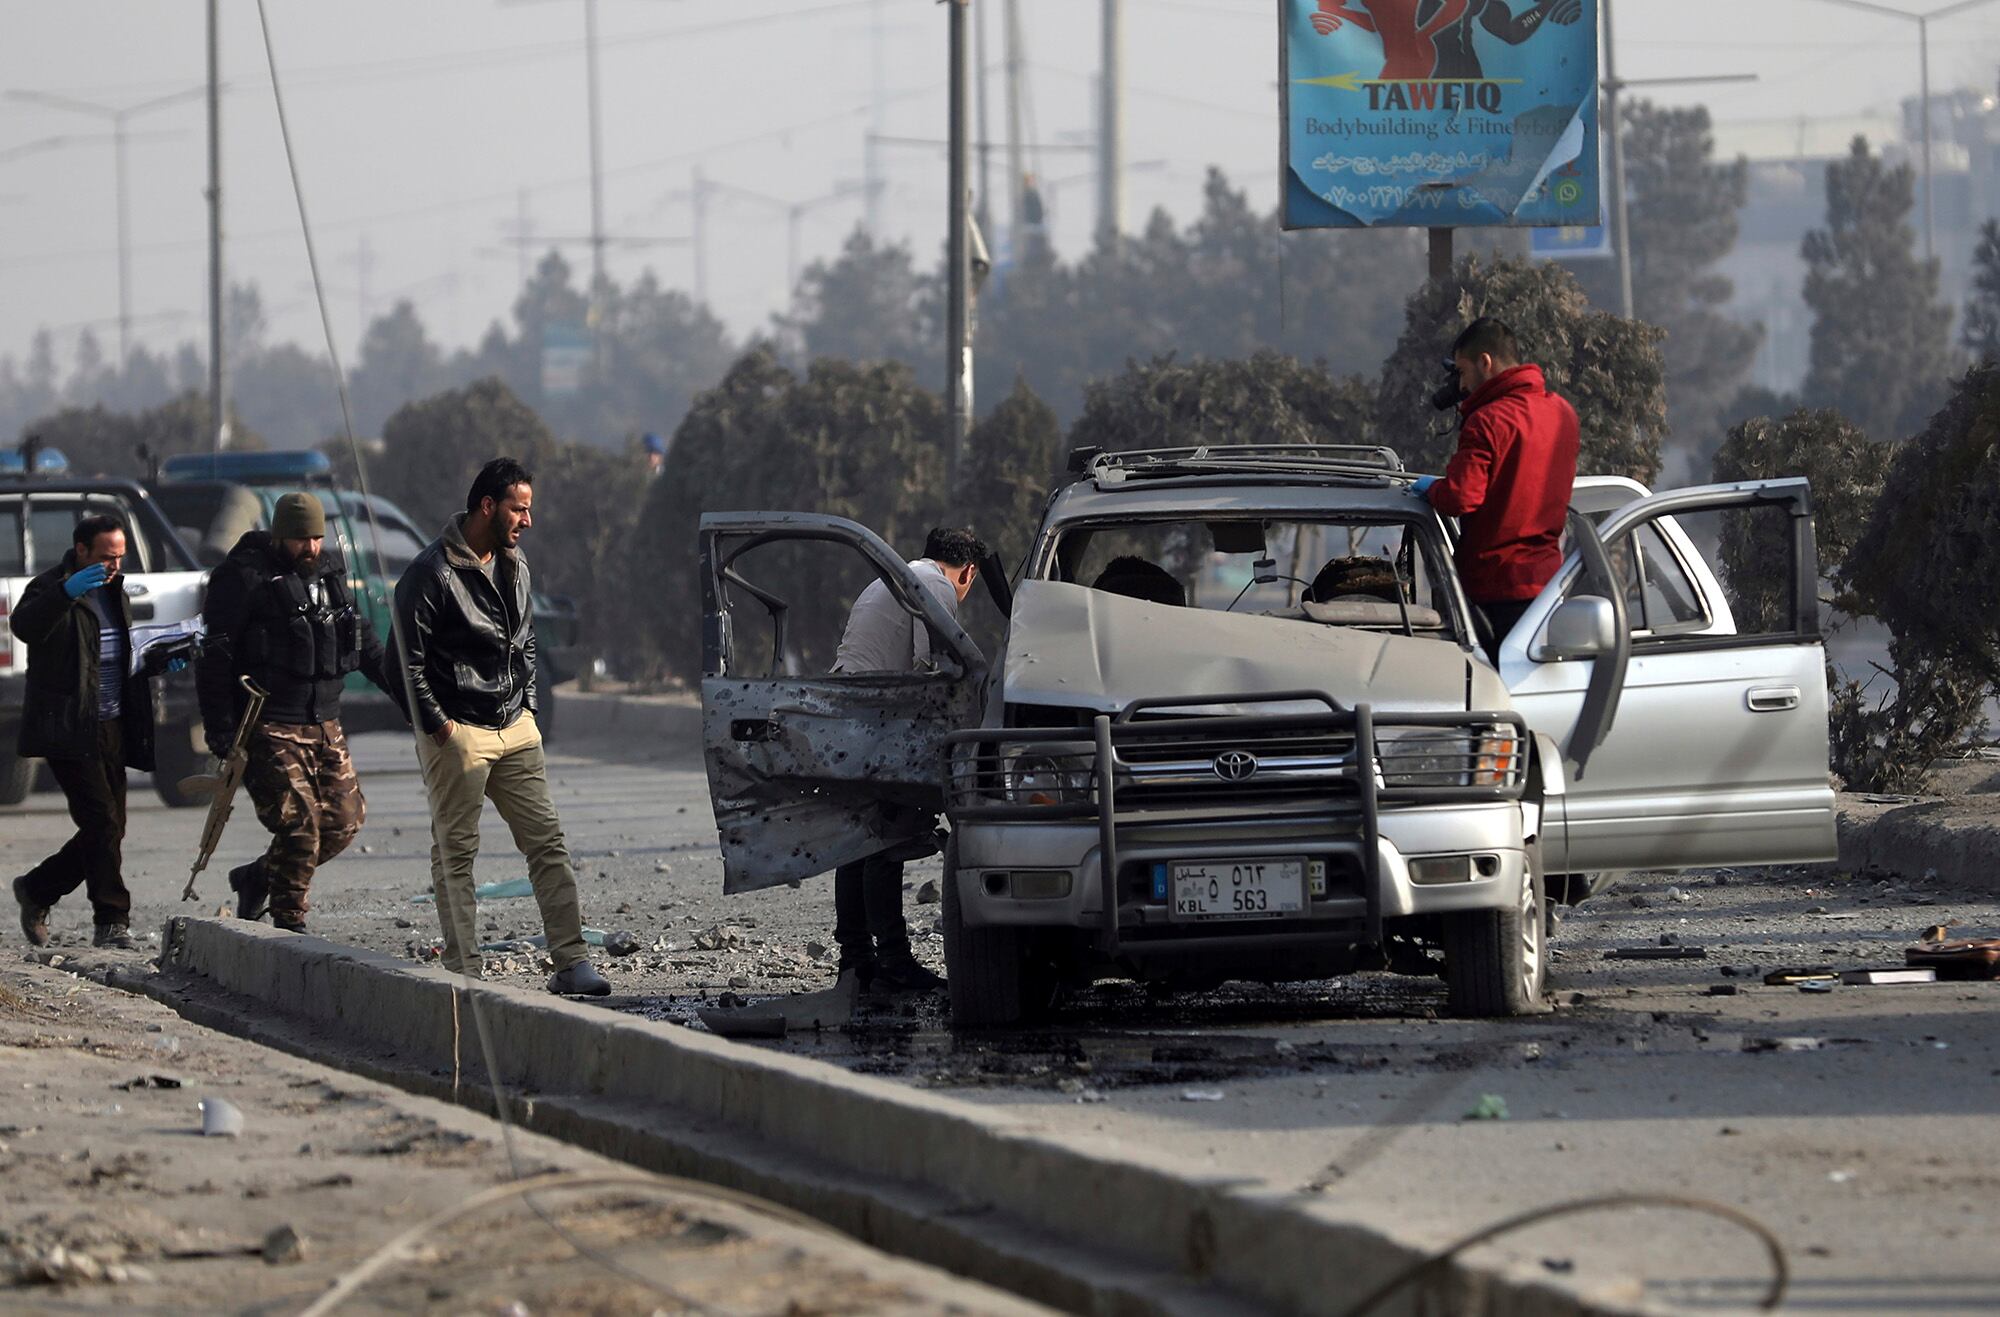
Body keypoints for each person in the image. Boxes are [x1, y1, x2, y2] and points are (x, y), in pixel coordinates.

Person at [394, 458, 608, 996]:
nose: (527, 520)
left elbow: (526, 640)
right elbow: (406, 665)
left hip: (515, 728)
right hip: (458, 735)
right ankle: (466, 976)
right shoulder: (431, 573)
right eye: (519, 508)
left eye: (529, 509)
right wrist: (443, 729)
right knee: (456, 856)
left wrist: (529, 708)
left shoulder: (515, 563)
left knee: (547, 845)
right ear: (487, 506)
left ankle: (571, 963)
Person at [196, 492, 400, 933]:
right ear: (279, 535)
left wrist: (403, 693)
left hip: (325, 721)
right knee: (300, 824)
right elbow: (215, 658)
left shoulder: (327, 573)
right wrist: (221, 731)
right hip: (269, 723)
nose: (310, 548)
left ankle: (256, 877)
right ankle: (289, 923)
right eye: (300, 540)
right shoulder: (243, 578)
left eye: (316, 538)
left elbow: (360, 637)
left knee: (344, 822)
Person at [827, 526, 986, 992]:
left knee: (855, 845)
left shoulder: (894, 577)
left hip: (848, 709)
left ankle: (856, 962)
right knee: (886, 841)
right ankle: (894, 963)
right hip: (876, 716)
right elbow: (931, 664)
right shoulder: (936, 584)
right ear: (969, 573)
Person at [9, 515, 153, 950]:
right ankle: (111, 919)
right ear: (82, 550)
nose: (114, 564)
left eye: (120, 556)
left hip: (110, 722)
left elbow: (114, 653)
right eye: (107, 556)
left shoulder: (115, 593)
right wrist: (64, 594)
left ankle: (37, 889)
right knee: (101, 821)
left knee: (111, 827)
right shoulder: (50, 587)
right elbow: (25, 626)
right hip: (68, 726)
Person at [1413, 317, 1580, 663]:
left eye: (1462, 372)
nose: (1461, 385)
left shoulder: (1487, 421)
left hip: (1494, 589)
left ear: (1484, 362)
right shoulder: (1563, 413)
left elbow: (1461, 497)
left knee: (1491, 697)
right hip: (1547, 586)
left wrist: (1431, 490)